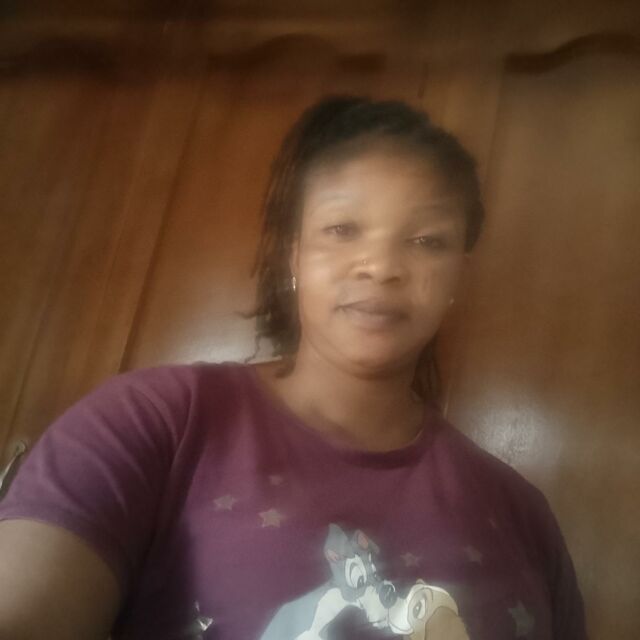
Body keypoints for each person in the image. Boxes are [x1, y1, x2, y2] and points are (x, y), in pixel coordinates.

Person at [0, 96, 587, 639]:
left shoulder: (522, 514)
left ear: (458, 273)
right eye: (342, 229)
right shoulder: (155, 420)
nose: (380, 266)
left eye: (427, 240)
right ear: (295, 257)